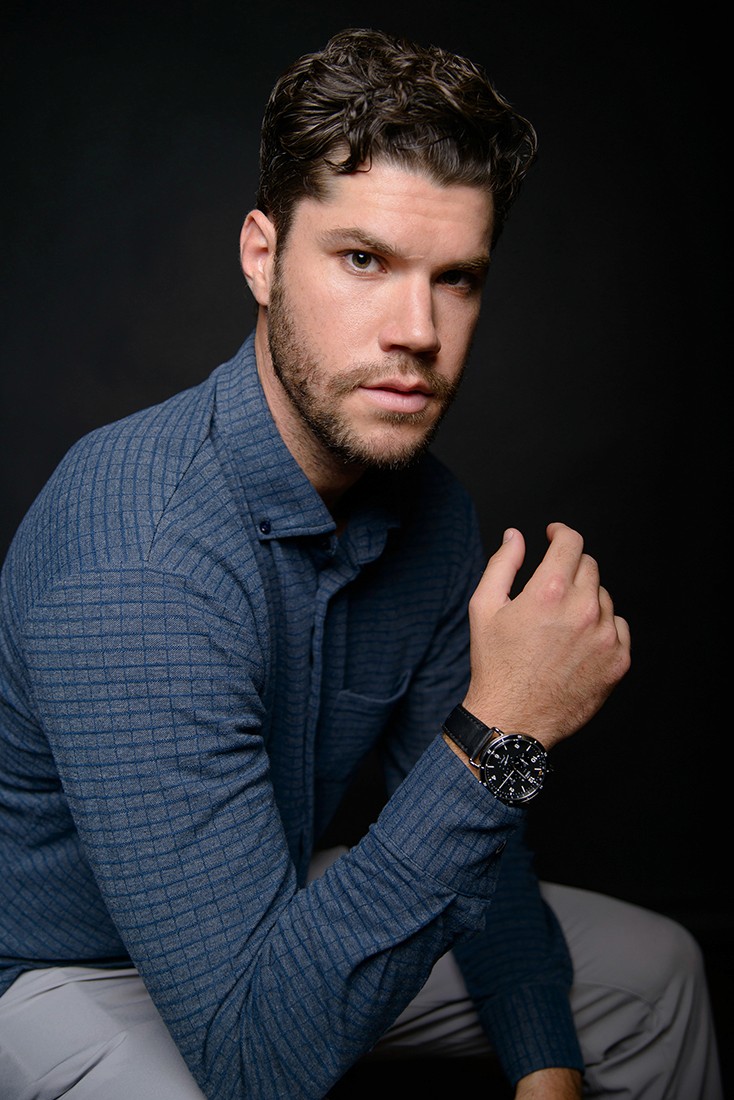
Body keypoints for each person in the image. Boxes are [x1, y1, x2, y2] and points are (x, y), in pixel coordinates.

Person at [0, 26, 722, 1100]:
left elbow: (473, 819)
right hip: (65, 979)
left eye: (458, 278)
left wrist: (547, 1069)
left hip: (265, 895)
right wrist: (506, 721)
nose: (418, 329)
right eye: (363, 260)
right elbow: (255, 1059)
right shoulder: (138, 553)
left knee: (655, 971)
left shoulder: (430, 513)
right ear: (260, 256)